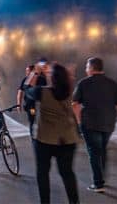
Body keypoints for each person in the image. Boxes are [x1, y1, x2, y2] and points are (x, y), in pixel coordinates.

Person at [71, 56, 117, 193]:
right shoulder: (112, 84)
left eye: (87, 66)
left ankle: (98, 183)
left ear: (91, 68)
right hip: (108, 124)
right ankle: (101, 175)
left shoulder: (83, 84)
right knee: (102, 149)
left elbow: (74, 103)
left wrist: (79, 121)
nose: (86, 69)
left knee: (93, 152)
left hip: (90, 124)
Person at [27, 62, 81, 204]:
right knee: (67, 174)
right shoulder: (69, 92)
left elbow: (27, 89)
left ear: (53, 78)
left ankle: (45, 202)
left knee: (43, 173)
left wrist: (35, 73)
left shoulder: (42, 92)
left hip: (44, 140)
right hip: (67, 140)